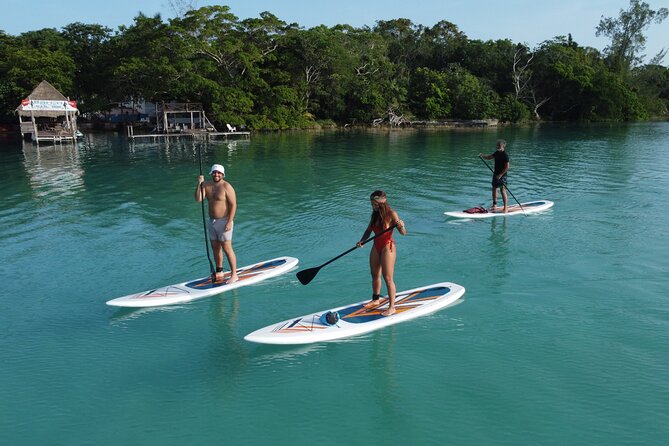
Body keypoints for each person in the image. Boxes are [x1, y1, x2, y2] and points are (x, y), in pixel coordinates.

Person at [356, 190, 406, 316]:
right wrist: (362, 240)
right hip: (376, 246)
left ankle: (392, 307)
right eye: (372, 204)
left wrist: (400, 225)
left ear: (382, 202)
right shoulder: (374, 215)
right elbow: (368, 231)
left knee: (388, 278)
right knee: (374, 275)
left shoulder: (391, 214)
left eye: (375, 204)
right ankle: (376, 300)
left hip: (387, 247)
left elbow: (403, 232)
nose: (373, 207)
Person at [194, 164, 238, 283]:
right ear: (211, 173)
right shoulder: (207, 185)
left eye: (219, 173)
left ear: (223, 174)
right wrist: (200, 183)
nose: (216, 175)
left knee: (227, 248)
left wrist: (229, 222)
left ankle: (234, 274)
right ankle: (219, 271)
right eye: (214, 172)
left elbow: (234, 205)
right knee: (215, 247)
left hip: (224, 222)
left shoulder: (227, 186)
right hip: (211, 221)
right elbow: (198, 199)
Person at [479, 139, 510, 213]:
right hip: (495, 174)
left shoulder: (505, 155)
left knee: (503, 190)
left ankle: (505, 208)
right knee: (494, 188)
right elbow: (489, 157)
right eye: (497, 145)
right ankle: (494, 205)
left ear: (503, 146)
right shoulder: (497, 153)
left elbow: (507, 167)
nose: (498, 147)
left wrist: (501, 175)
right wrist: (483, 156)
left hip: (502, 175)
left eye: (499, 146)